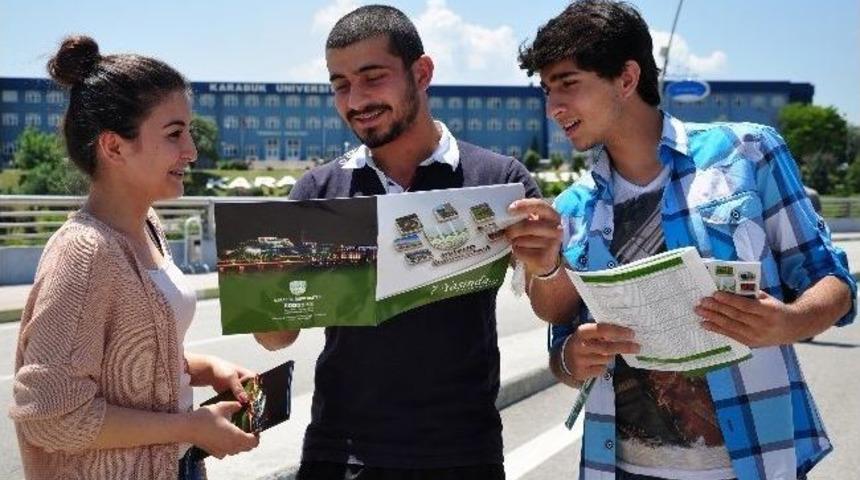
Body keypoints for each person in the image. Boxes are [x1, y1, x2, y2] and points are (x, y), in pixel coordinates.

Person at [506, 1, 856, 479]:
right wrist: (573, 357)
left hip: (751, 463)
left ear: (627, 79)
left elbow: (833, 280)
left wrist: (788, 323)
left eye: (568, 84)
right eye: (547, 91)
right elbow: (562, 349)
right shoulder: (573, 207)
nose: (553, 108)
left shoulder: (747, 153)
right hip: (619, 467)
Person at [253, 5, 540, 480]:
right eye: (340, 85)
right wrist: (268, 289)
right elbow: (273, 338)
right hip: (339, 453)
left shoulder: (500, 180)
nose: (356, 99)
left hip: (462, 452)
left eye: (373, 77)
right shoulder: (318, 190)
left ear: (421, 73)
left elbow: (550, 306)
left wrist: (547, 263)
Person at [9, 36, 259, 480]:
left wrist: (207, 369)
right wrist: (189, 427)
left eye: (189, 132)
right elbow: (49, 415)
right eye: (174, 134)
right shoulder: (84, 252)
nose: (191, 151)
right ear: (114, 147)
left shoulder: (149, 226)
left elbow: (130, 364)